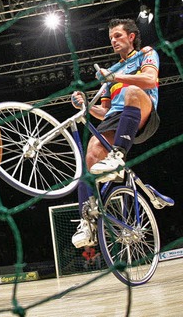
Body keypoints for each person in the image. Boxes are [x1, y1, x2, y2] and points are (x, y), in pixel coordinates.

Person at [70, 18, 174, 248]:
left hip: (142, 110)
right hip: (116, 119)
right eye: (111, 38)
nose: (113, 41)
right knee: (90, 157)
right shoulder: (112, 71)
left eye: (118, 36)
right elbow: (104, 111)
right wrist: (85, 105)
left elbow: (150, 80)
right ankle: (87, 222)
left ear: (131, 37)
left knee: (132, 92)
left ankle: (117, 156)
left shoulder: (146, 53)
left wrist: (114, 77)